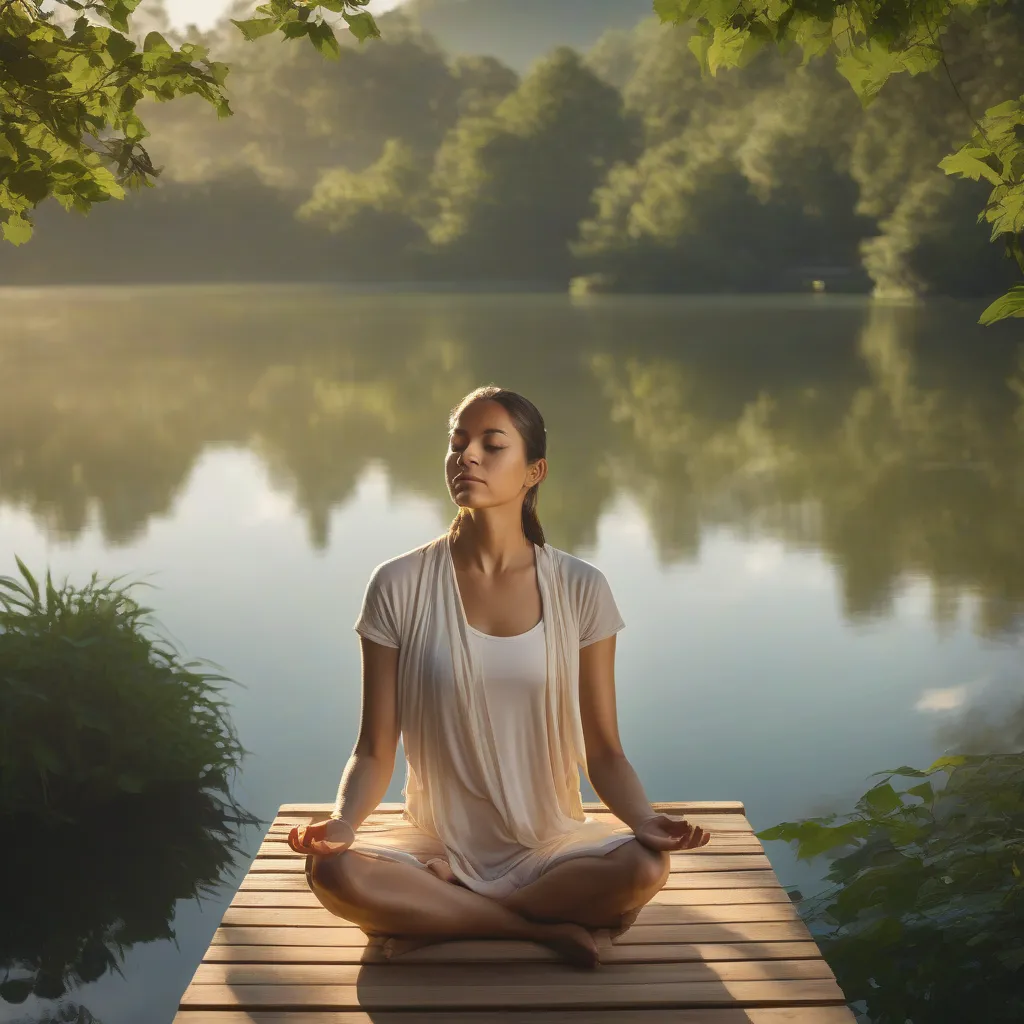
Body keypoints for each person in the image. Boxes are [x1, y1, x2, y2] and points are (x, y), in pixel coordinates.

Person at [287, 385, 710, 968]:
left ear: (534, 470)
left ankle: (443, 914)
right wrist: (343, 821)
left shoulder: (582, 588)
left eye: (491, 444)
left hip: (548, 844)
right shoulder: (398, 584)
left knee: (644, 868)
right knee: (330, 870)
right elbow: (373, 747)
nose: (467, 457)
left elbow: (604, 749)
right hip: (436, 843)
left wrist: (644, 820)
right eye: (458, 444)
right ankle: (535, 930)